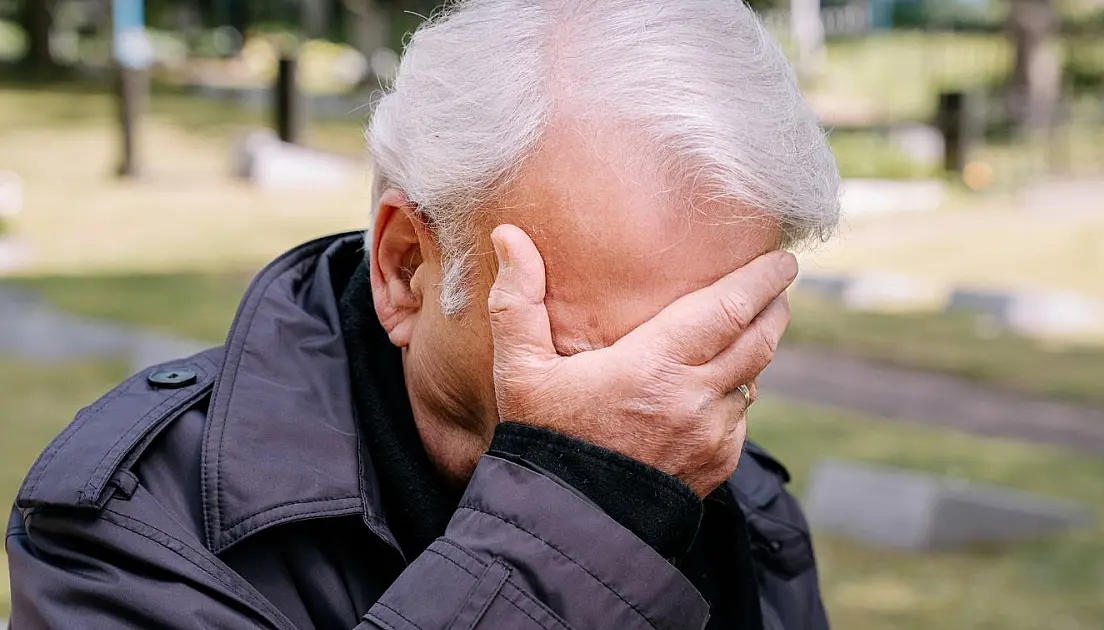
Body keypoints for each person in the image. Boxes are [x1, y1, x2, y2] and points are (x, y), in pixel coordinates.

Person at [6, 0, 840, 628]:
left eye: (715, 351)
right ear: (404, 266)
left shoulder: (739, 496)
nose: (670, 405)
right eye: (597, 350)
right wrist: (584, 509)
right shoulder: (134, 533)